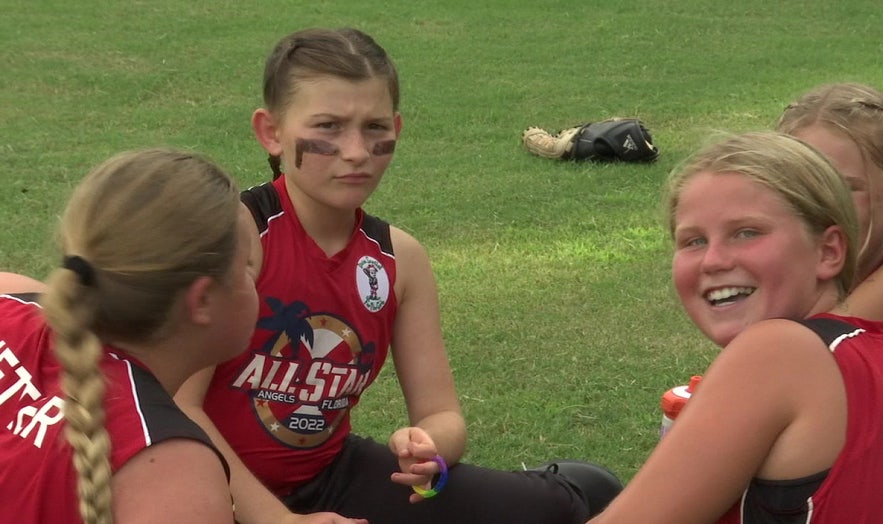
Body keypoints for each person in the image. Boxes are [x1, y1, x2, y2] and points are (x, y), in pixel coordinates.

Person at [174, 27, 621, 524]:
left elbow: (442, 414)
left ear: (398, 129)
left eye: (373, 127)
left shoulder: (397, 258)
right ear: (272, 132)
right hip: (206, 488)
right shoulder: (237, 238)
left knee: (574, 500)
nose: (356, 151)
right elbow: (179, 411)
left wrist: (428, 447)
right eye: (328, 126)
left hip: (330, 477)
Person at [590, 131, 883, 523]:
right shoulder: (855, 350)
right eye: (693, 241)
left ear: (828, 251)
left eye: (747, 232)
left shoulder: (778, 354)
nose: (713, 260)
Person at [0, 148, 257, 523]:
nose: (254, 281)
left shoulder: (10, 297)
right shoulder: (173, 476)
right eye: (246, 267)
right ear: (202, 300)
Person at [776, 82, 883, 439]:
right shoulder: (824, 261)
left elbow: (787, 377)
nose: (815, 205)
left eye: (844, 187)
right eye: (794, 186)